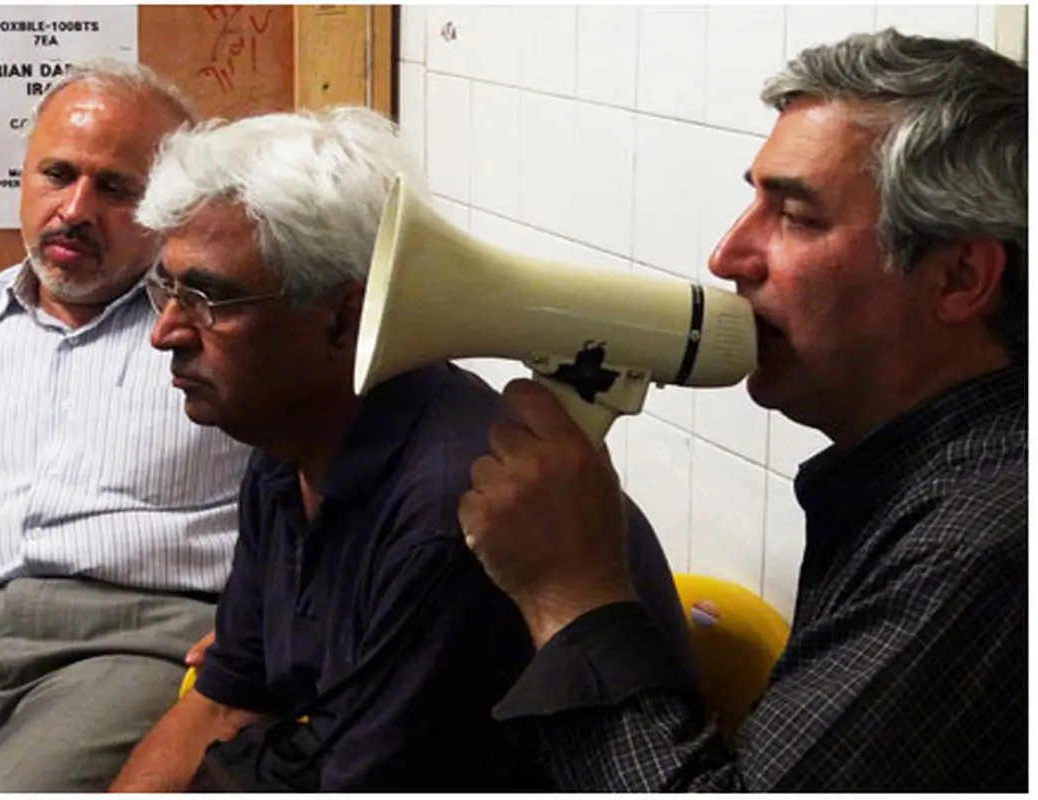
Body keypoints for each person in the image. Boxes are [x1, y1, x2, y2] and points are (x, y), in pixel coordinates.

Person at [458, 28, 1026, 792]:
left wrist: (572, 594)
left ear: (959, 278)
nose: (727, 256)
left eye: (796, 216)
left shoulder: (978, 546)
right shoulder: (932, 481)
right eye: (754, 200)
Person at [107, 106, 695, 792]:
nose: (166, 332)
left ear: (346, 319)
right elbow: (225, 700)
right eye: (167, 288)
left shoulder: (449, 517)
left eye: (210, 298)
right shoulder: (285, 445)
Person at [0, 61, 252, 791]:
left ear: (172, 206)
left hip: (139, 649)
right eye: (57, 175)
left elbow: (313, 503)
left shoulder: (218, 335)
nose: (75, 209)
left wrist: (264, 627)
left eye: (116, 189)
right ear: (24, 176)